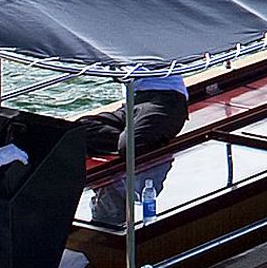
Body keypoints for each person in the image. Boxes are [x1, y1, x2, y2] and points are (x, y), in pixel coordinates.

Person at [77, 71, 189, 229]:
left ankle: (139, 139)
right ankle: (140, 137)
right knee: (79, 130)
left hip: (165, 99)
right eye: (98, 205)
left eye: (96, 204)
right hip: (134, 101)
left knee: (131, 144)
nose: (96, 202)